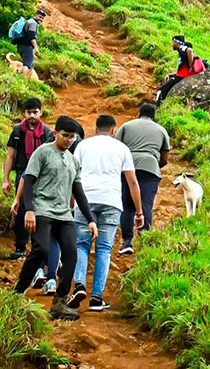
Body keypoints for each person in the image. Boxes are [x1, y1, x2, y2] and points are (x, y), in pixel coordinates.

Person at [13, 115, 98, 321]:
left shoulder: (73, 160)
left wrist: (90, 219)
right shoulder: (42, 153)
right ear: (55, 133)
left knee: (71, 253)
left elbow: (78, 191)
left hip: (64, 213)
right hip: (42, 209)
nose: (69, 140)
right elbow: (29, 182)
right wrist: (29, 210)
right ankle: (16, 294)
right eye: (65, 135)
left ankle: (59, 302)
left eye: (72, 137)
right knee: (41, 249)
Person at [68, 115, 144, 312]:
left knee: (81, 244)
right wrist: (139, 212)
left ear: (95, 129)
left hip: (85, 199)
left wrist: (71, 203)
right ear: (113, 130)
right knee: (104, 248)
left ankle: (79, 285)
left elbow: (73, 176)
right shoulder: (122, 148)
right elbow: (132, 182)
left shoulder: (83, 146)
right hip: (111, 201)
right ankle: (96, 298)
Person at [4, 97, 56, 278]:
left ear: (41, 112)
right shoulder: (17, 131)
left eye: (35, 112)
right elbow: (10, 156)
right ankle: (20, 246)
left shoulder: (47, 132)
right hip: (22, 174)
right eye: (29, 112)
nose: (32, 116)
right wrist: (5, 179)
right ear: (24, 113)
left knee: (39, 210)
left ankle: (37, 248)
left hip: (42, 177)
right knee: (21, 209)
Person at [115, 102, 171, 254]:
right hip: (150, 168)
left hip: (128, 168)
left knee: (127, 206)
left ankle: (127, 242)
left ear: (138, 114)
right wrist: (153, 165)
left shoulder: (126, 126)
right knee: (146, 205)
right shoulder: (161, 130)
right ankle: (145, 242)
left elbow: (116, 147)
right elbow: (165, 158)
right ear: (154, 116)